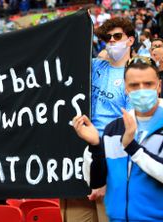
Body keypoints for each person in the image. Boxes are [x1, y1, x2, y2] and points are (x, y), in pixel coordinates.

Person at [61, 17, 134, 222]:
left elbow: (129, 128)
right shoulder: (94, 66)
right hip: (76, 154)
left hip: (110, 158)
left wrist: (103, 169)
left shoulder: (134, 75)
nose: (111, 41)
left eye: (117, 36)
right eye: (107, 37)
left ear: (130, 40)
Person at [73, 56, 163, 221]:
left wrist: (133, 149)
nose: (141, 90)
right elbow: (95, 183)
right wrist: (95, 145)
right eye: (134, 85)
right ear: (126, 89)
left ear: (159, 86)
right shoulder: (113, 129)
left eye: (148, 84)